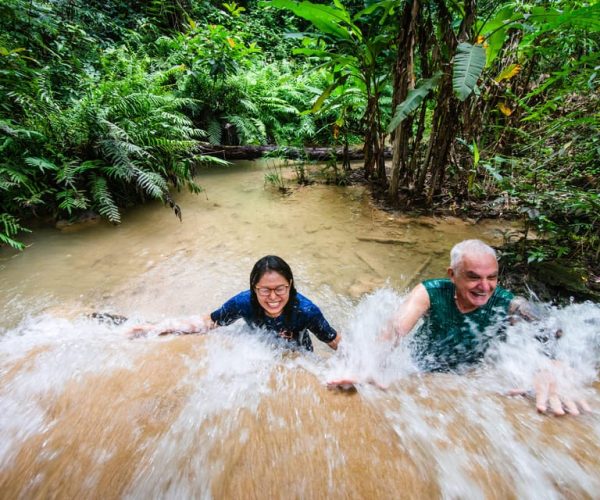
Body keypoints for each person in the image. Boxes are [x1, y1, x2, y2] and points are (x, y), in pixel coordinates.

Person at [336, 239, 589, 415]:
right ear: (452, 274)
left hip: (472, 375)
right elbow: (394, 331)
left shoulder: (506, 302)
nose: (485, 286)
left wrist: (552, 364)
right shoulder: (430, 292)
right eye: (473, 276)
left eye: (492, 277)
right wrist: (365, 366)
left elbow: (549, 324)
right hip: (424, 370)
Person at [129, 255, 341, 352]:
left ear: (290, 285)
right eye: (265, 290)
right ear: (253, 288)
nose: (273, 297)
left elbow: (334, 342)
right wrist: (155, 329)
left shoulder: (306, 311)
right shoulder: (243, 303)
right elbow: (208, 322)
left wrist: (362, 370)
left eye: (280, 289)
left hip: (298, 357)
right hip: (260, 351)